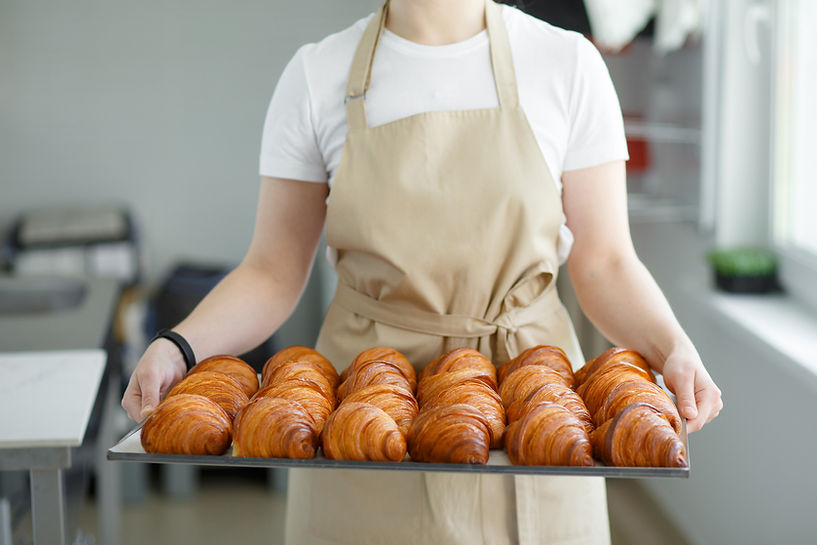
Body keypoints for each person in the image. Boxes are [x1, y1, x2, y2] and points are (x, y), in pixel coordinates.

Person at [122, 0, 723, 543]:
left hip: (531, 406)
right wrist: (179, 346)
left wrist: (672, 347)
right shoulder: (317, 75)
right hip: (363, 406)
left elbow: (607, 262)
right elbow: (271, 271)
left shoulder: (567, 64)